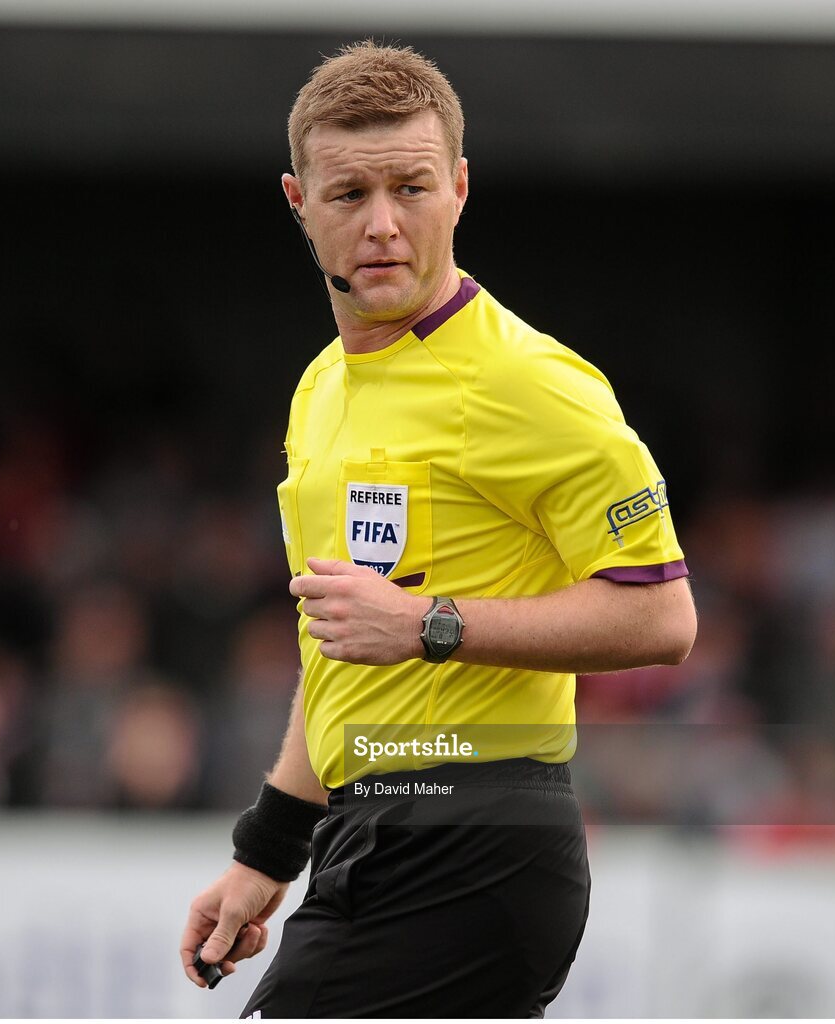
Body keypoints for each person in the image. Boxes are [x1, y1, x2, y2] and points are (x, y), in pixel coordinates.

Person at [180, 40, 697, 1018]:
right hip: (369, 831)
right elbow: (338, 647)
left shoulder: (528, 381)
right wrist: (266, 853)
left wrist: (431, 623)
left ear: (458, 188)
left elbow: (661, 618)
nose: (382, 224)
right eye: (348, 195)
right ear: (298, 201)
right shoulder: (322, 391)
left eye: (411, 187)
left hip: (479, 838)